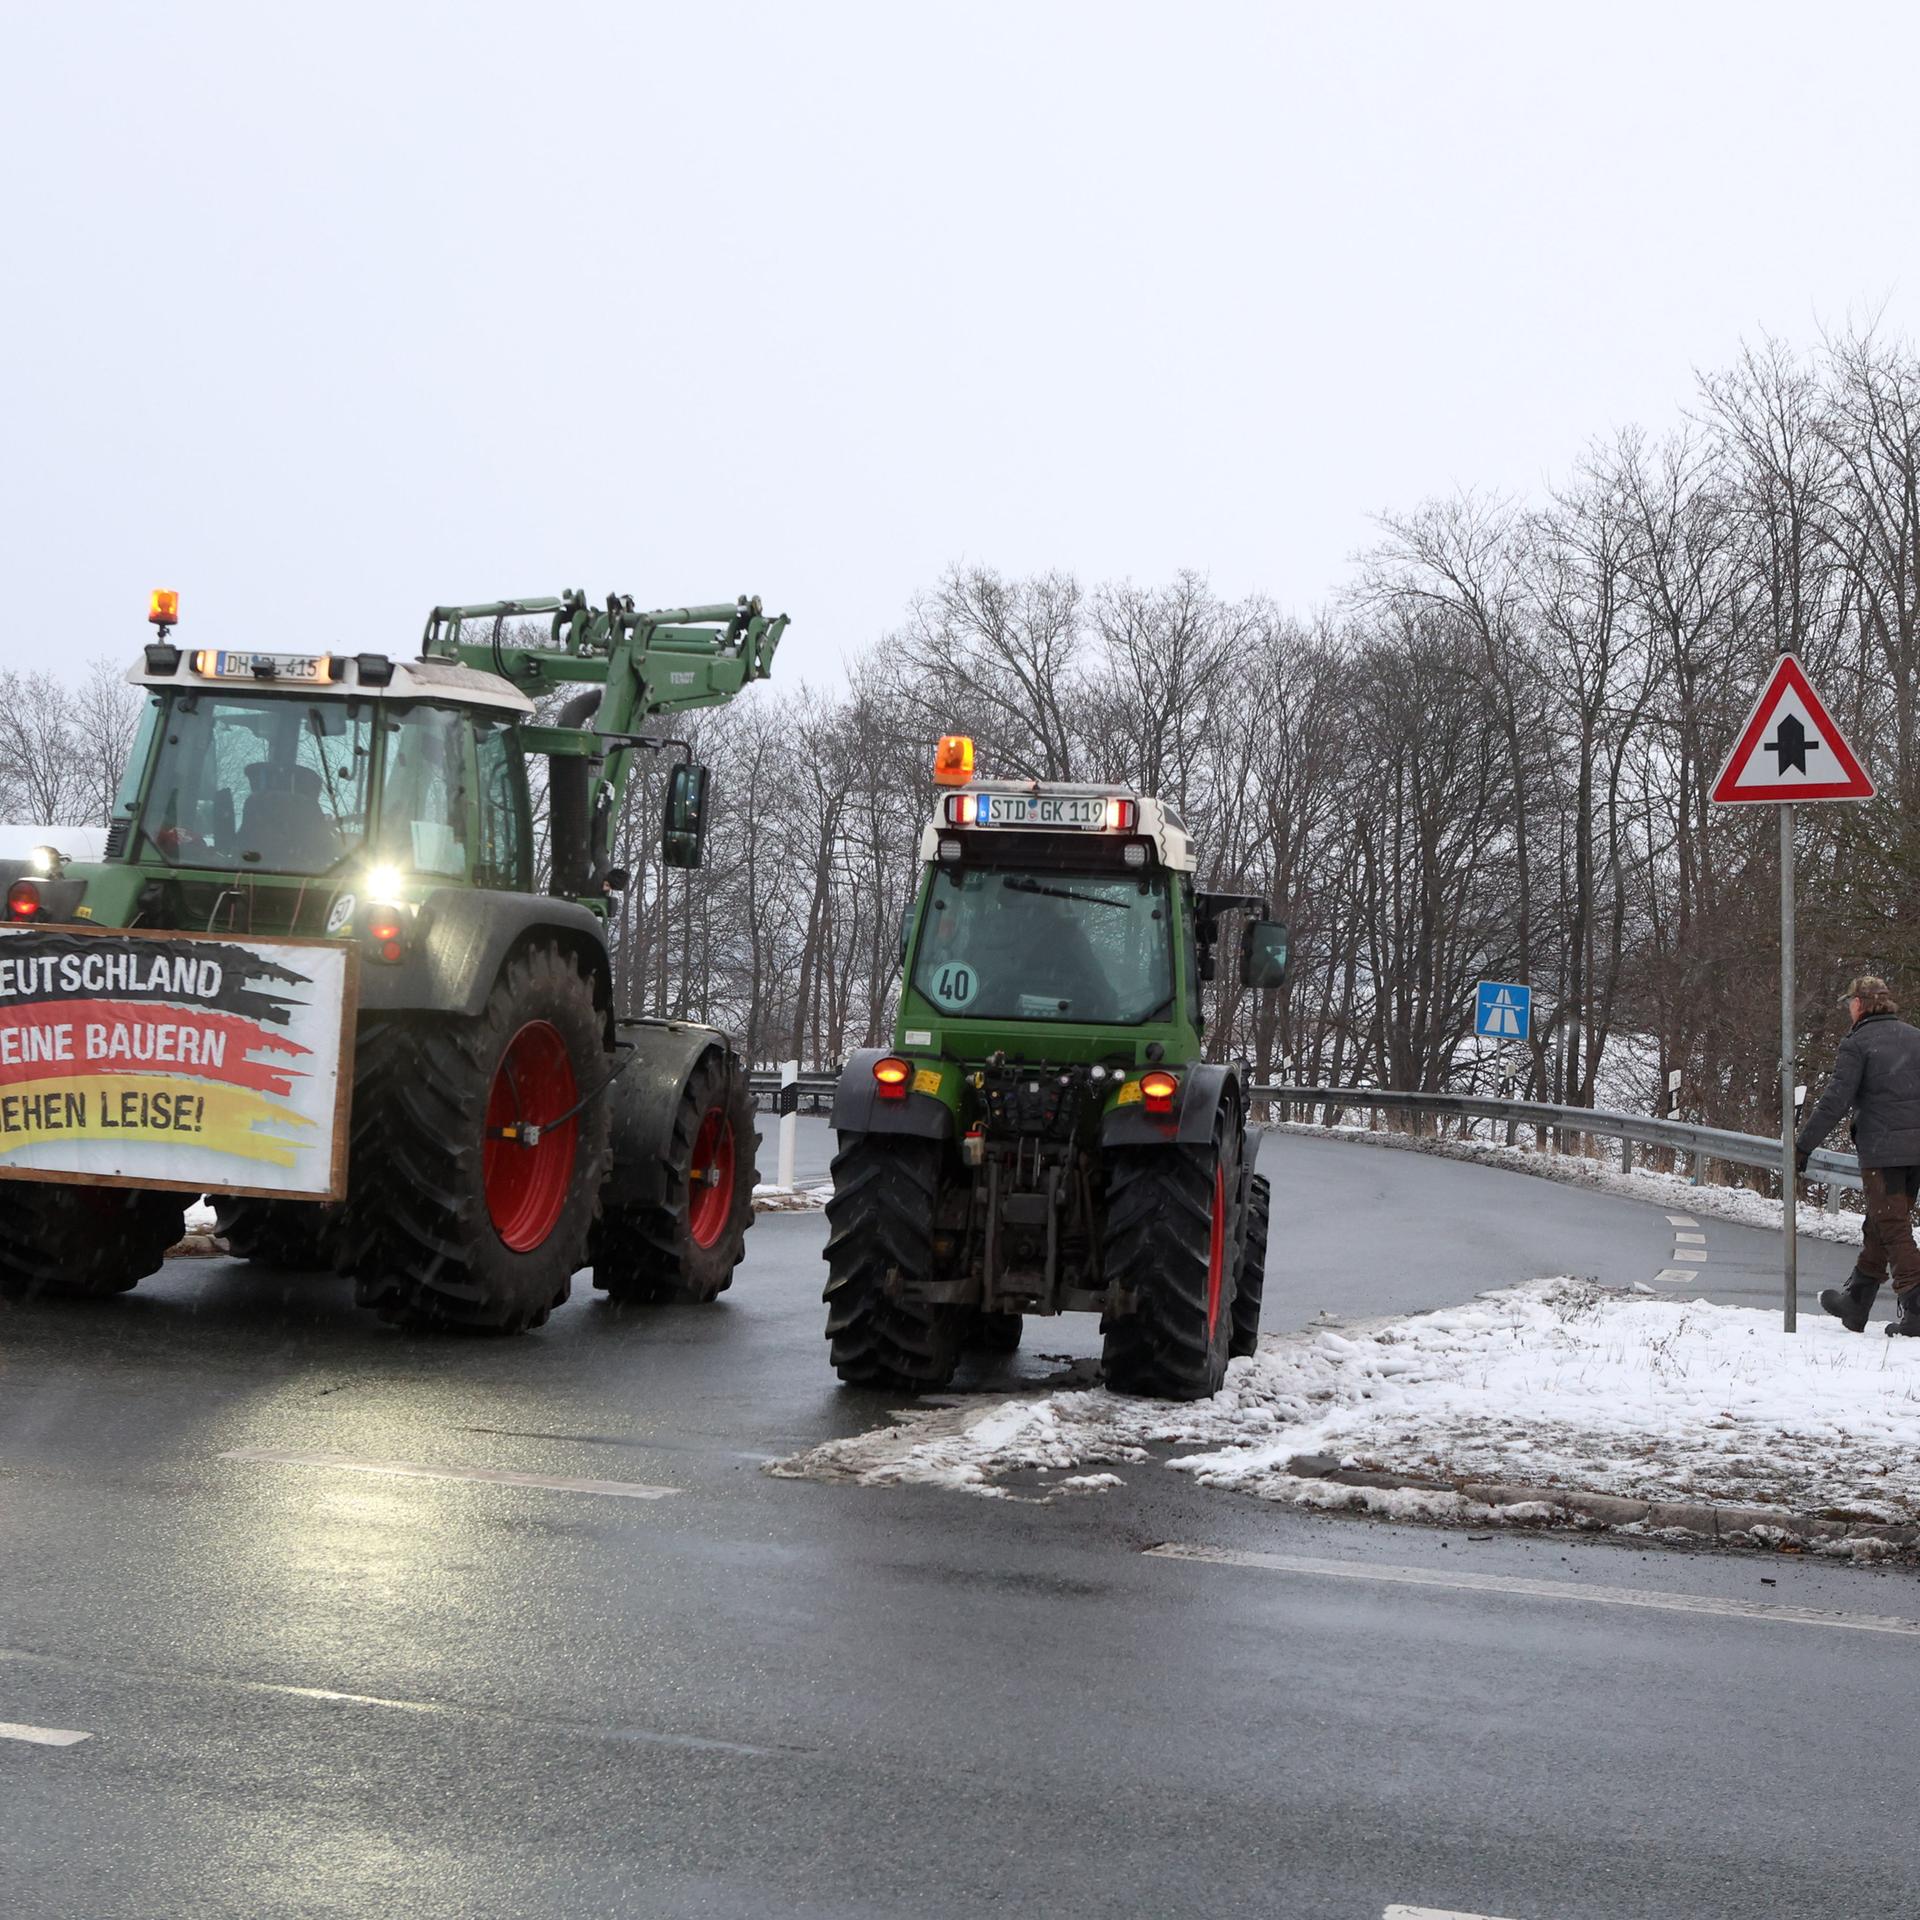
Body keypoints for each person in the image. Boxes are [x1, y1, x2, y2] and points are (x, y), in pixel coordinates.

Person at [1796, 974, 1920, 1336]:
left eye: (1850, 1002)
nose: (1848, 1009)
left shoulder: (1858, 1043)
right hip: (1916, 1154)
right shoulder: (1915, 1037)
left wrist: (1804, 1145)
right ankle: (1858, 1300)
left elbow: (1836, 1100)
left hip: (1884, 1153)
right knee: (1881, 1221)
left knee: (1893, 1226)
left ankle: (1916, 1306)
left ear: (1860, 1005)